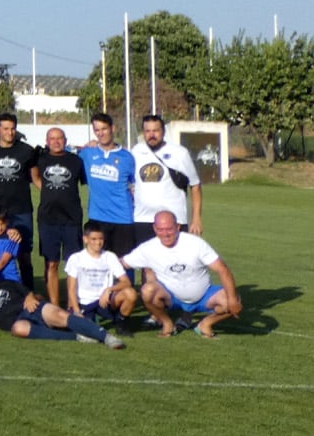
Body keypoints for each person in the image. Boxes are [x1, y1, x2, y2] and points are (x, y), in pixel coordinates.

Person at [126, 212, 242, 338]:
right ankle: (167, 324)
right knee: (147, 291)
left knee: (233, 299)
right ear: (154, 228)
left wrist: (232, 299)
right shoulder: (147, 248)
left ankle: (205, 324)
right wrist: (102, 258)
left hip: (204, 296)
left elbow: (222, 269)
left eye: (169, 229)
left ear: (178, 226)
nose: (165, 234)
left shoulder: (195, 244)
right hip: (172, 298)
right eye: (160, 229)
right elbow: (122, 264)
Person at [0, 259, 126, 347]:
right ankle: (77, 337)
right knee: (19, 329)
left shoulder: (6, 283)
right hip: (17, 322)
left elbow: (28, 292)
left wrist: (30, 296)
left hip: (31, 308)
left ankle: (105, 336)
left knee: (59, 314)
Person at [34, 126, 87, 300]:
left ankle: (74, 304)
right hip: (48, 219)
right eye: (52, 138)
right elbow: (33, 176)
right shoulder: (40, 159)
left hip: (72, 218)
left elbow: (86, 182)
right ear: (47, 142)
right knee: (51, 263)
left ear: (65, 140)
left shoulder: (76, 161)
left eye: (60, 138)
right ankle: (55, 306)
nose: (56, 142)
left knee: (74, 263)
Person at [131, 113, 204, 235]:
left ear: (163, 132)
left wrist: (196, 218)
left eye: (155, 131)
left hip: (173, 221)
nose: (151, 135)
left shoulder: (179, 153)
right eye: (147, 131)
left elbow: (195, 185)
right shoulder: (136, 151)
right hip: (142, 219)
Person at [80, 113, 139, 256]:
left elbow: (136, 184)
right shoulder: (87, 154)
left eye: (104, 129)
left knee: (123, 263)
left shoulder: (127, 157)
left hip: (123, 218)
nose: (100, 133)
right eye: (97, 130)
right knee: (98, 262)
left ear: (113, 128)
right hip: (97, 217)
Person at [0, 112, 38, 251]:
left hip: (21, 209)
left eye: (12, 128)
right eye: (5, 129)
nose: (10, 132)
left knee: (24, 253)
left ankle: (25, 274)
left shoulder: (27, 150)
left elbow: (36, 178)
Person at [63, 224, 138, 330]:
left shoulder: (110, 257)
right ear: (85, 239)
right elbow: (71, 289)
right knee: (86, 329)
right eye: (93, 239)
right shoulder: (76, 258)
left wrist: (109, 290)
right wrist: (76, 311)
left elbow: (126, 282)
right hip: (84, 302)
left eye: (100, 239)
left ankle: (121, 323)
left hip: (105, 300)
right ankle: (86, 317)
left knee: (131, 293)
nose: (98, 243)